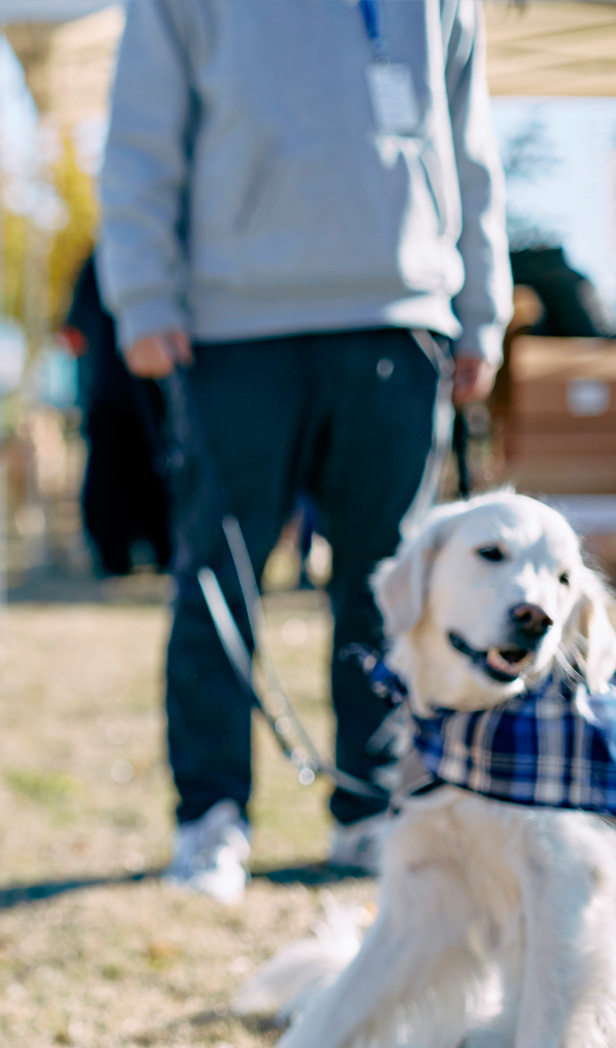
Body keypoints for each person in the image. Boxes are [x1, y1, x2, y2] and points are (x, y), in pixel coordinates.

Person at [98, 0, 509, 903]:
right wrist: (141, 294)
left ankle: (374, 807)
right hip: (233, 330)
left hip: (402, 321)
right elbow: (139, 138)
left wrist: (485, 307)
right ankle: (211, 818)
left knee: (392, 588)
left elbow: (472, 148)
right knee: (219, 579)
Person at [62, 252, 172, 578]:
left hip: (133, 386)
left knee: (135, 469)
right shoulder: (109, 258)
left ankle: (126, 554)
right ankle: (130, 553)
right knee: (137, 469)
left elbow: (73, 331)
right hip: (130, 386)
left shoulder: (97, 259)